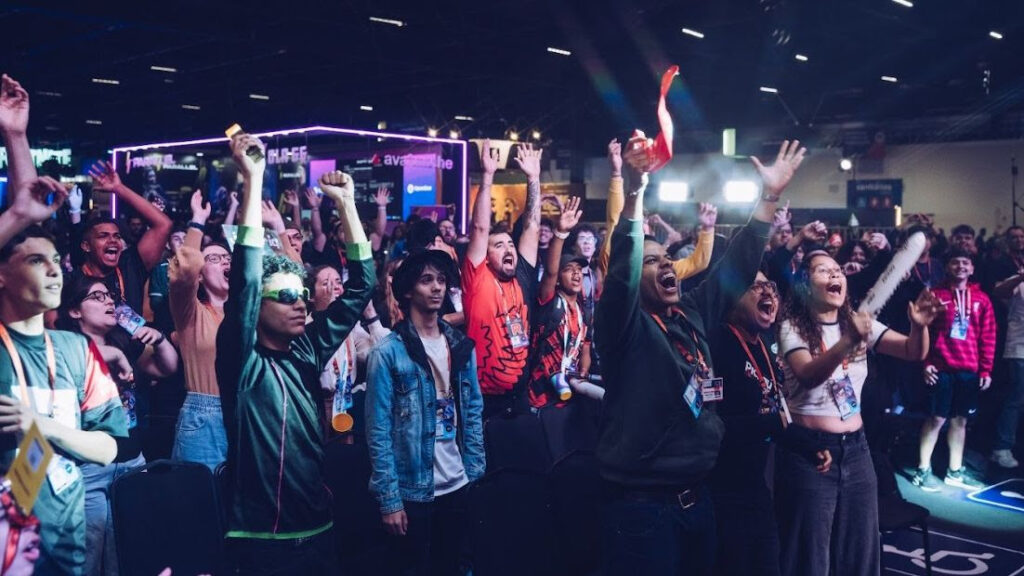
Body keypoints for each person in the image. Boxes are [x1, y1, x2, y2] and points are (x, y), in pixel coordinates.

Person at [597, 136, 805, 576]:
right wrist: (634, 192)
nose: (666, 264)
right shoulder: (623, 326)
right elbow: (620, 273)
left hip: (698, 498)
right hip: (644, 508)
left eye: (668, 258)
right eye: (651, 261)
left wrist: (769, 197)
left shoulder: (689, 313)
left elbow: (737, 266)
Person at [215, 132, 374, 574]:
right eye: (285, 296)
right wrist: (254, 179)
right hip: (261, 538)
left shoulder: (308, 349)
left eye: (302, 295)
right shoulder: (242, 362)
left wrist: (347, 204)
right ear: (257, 308)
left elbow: (361, 286)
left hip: (319, 528)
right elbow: (247, 279)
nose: (300, 304)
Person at [0, 74, 126, 576]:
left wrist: (44, 427)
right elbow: (26, 214)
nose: (54, 270)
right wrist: (17, 210)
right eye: (36, 261)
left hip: (65, 546)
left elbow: (109, 445)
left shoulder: (76, 349)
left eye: (56, 261)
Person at [775, 250, 940, 576]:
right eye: (823, 270)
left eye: (838, 269)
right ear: (806, 284)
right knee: (810, 556)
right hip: (811, 452)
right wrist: (849, 341)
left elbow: (912, 350)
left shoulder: (856, 321)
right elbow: (808, 375)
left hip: (856, 450)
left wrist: (918, 326)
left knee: (860, 552)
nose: (835, 275)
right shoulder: (791, 327)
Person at [366, 249, 485, 576]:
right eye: (426, 280)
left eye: (442, 280)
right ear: (408, 291)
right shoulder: (387, 352)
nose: (437, 287)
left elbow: (473, 411)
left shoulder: (460, 345)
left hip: (458, 482)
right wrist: (390, 500)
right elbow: (378, 431)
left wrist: (474, 473)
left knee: (454, 567)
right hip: (413, 488)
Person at [57, 277, 178, 575]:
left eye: (109, 296)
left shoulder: (123, 345)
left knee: (127, 554)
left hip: (132, 461)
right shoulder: (60, 349)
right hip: (88, 469)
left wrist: (159, 339)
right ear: (74, 311)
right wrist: (111, 355)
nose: (109, 301)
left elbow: (168, 367)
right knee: (87, 557)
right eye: (96, 297)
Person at [709, 270, 787, 576]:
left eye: (771, 287)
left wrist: (808, 446)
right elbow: (710, 425)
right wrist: (767, 425)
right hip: (722, 494)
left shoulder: (764, 345)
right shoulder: (718, 344)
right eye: (756, 287)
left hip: (755, 487)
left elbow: (773, 409)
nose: (768, 293)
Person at [462, 139, 542, 418]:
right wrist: (487, 176)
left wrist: (533, 178)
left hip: (520, 397)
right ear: (485, 256)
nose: (508, 249)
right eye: (499, 245)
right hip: (481, 402)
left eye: (510, 244)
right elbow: (480, 228)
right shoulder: (477, 278)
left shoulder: (522, 276)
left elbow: (532, 226)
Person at [912, 249, 996, 490]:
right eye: (955, 262)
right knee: (936, 419)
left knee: (960, 421)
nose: (960, 266)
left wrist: (986, 370)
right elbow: (923, 331)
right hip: (941, 368)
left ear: (972, 268)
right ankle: (922, 470)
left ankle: (955, 471)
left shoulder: (982, 299)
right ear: (947, 267)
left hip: (968, 369)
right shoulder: (935, 295)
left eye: (965, 262)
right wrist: (926, 363)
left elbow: (988, 336)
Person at [166, 190, 233, 471]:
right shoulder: (191, 313)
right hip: (205, 418)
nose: (225, 262)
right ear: (201, 275)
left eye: (228, 258)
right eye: (214, 259)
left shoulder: (251, 313)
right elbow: (183, 273)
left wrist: (278, 228)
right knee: (203, 495)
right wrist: (198, 222)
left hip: (249, 413)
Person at [74, 161, 173, 314]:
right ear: (86, 246)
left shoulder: (130, 265)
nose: (113, 240)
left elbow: (163, 225)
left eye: (117, 236)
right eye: (103, 236)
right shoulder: (74, 281)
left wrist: (119, 189)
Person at [309, 264, 389, 438]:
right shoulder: (306, 328)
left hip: (347, 406)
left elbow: (384, 355)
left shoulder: (351, 328)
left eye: (338, 282)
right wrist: (329, 312)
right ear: (311, 297)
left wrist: (370, 313)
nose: (335, 288)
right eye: (326, 283)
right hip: (317, 410)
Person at [528, 196, 591, 409]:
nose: (576, 274)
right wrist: (561, 233)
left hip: (571, 392)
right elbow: (550, 272)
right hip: (541, 395)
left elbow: (585, 347)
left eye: (579, 270)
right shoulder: (550, 301)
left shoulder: (583, 310)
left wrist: (583, 371)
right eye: (569, 270)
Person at [990, 225, 1024, 468]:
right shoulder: (1012, 274)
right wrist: (1020, 276)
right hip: (1018, 346)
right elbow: (998, 291)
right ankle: (1001, 447)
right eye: (1015, 237)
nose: (1019, 241)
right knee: (1015, 399)